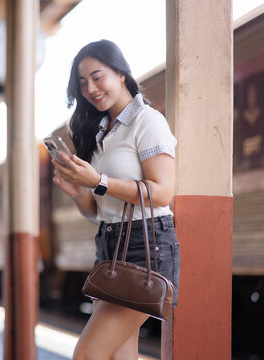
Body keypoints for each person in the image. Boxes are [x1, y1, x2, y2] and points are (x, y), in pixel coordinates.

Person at [51, 39, 180, 360]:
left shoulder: (147, 121)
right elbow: (99, 213)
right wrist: (80, 192)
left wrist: (98, 181)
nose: (91, 88)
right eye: (82, 83)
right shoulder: (101, 133)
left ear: (121, 73)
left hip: (146, 247)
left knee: (88, 354)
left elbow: (162, 192)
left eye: (98, 76)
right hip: (109, 245)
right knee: (120, 357)